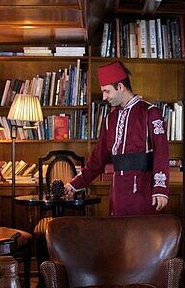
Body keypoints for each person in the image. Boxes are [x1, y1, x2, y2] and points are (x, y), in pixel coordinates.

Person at [66, 60, 169, 215]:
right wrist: (74, 185)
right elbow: (97, 159)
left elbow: (162, 152)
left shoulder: (149, 112)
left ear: (120, 87)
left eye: (107, 91)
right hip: (117, 193)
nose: (104, 97)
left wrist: (160, 189)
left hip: (143, 190)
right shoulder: (110, 119)